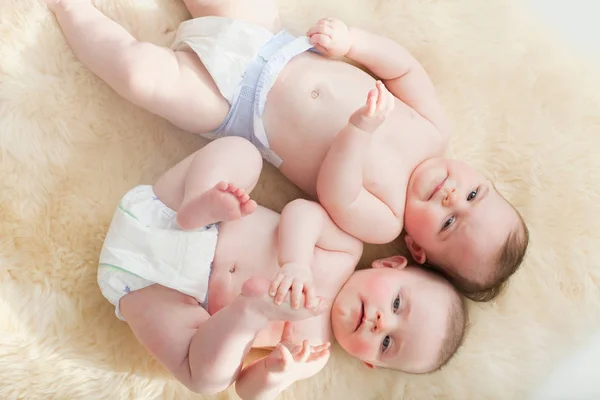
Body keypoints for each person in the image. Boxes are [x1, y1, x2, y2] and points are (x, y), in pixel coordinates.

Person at [43, 0, 528, 300]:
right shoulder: (434, 129)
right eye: (474, 195)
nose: (451, 198)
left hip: (233, 106)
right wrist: (354, 43)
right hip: (273, 44)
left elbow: (336, 192)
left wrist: (360, 130)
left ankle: (70, 9)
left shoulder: (386, 220)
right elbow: (404, 70)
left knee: (141, 76)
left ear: (417, 250)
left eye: (449, 223)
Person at [97, 137, 467, 398]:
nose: (381, 322)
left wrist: (277, 376)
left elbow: (245, 387)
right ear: (390, 263)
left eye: (386, 343)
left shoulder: (313, 348)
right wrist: (296, 264)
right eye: (398, 305)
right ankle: (200, 202)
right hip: (177, 216)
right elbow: (301, 212)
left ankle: (249, 310)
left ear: (369, 363)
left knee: (208, 379)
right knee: (241, 154)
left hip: (161, 292)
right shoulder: (346, 248)